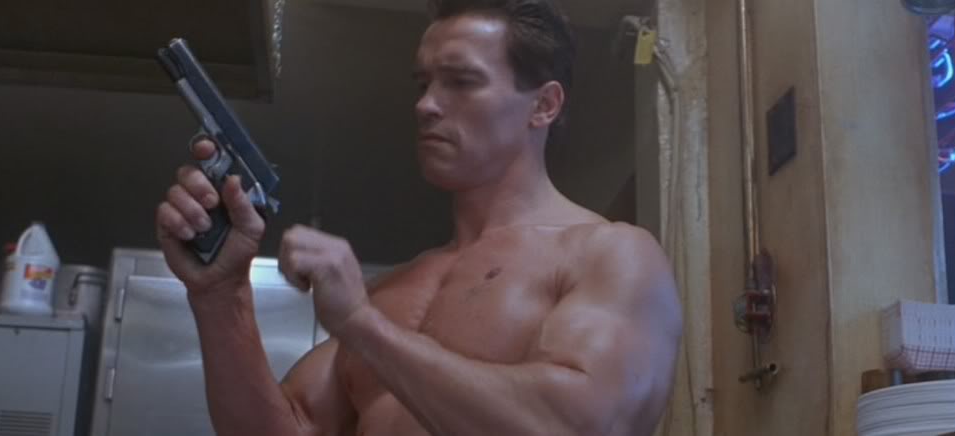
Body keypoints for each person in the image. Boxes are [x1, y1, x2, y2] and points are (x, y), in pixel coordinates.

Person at [154, 1, 682, 435]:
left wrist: (363, 327)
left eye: (461, 81)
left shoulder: (611, 256)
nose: (426, 105)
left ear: (543, 105)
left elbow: (576, 426)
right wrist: (220, 294)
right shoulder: (392, 292)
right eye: (423, 83)